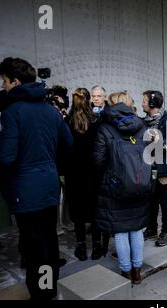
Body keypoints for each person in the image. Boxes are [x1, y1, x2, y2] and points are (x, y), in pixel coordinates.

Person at [0, 57, 73, 300]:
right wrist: (49, 166)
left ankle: (42, 294)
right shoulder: (50, 110)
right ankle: (49, 289)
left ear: (16, 82)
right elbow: (68, 146)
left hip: (26, 191)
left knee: (34, 247)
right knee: (48, 242)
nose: (3, 87)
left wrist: (5, 183)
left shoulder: (12, 112)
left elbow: (5, 158)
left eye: (5, 82)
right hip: (48, 187)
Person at [93, 91, 150, 284]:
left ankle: (125, 271)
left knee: (120, 231)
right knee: (136, 229)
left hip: (115, 188)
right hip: (140, 185)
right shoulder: (142, 126)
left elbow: (98, 161)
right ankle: (137, 271)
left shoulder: (105, 128)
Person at [64, 88, 104, 261]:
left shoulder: (67, 121)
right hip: (94, 172)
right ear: (88, 100)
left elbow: (64, 148)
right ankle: (96, 245)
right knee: (95, 209)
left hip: (74, 173)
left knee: (78, 210)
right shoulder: (96, 120)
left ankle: (81, 245)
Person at [142, 90, 167, 247]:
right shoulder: (145, 121)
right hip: (150, 166)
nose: (142, 103)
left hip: (163, 167)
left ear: (152, 103)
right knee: (151, 198)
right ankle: (151, 229)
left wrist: (159, 140)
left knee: (163, 198)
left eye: (144, 100)